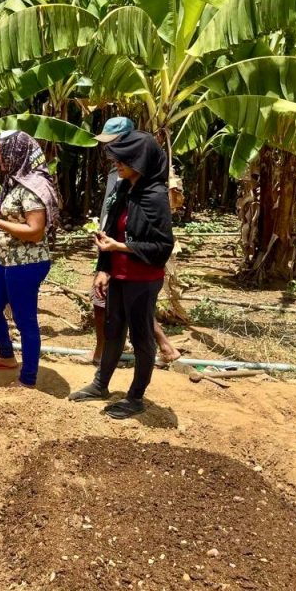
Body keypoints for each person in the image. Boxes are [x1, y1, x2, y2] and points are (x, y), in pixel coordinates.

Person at [69, 130, 175, 418]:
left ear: (140, 161)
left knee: (142, 338)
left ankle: (135, 397)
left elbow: (162, 246)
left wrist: (121, 247)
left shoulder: (155, 196)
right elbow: (112, 230)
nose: (117, 164)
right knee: (113, 330)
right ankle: (100, 384)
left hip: (143, 280)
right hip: (119, 275)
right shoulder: (124, 189)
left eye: (123, 159)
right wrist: (104, 268)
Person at [89, 117, 180, 370]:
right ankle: (106, 361)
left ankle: (129, 366)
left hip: (130, 253)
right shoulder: (118, 175)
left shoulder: (149, 190)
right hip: (111, 246)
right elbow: (113, 210)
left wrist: (118, 246)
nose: (110, 151)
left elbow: (160, 241)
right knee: (119, 308)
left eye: (115, 143)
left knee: (131, 308)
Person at [0, 130, 60, 388]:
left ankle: (28, 378)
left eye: (2, 152)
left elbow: (35, 231)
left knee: (25, 320)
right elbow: (11, 219)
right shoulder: (14, 182)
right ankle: (6, 355)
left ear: (17, 153)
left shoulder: (33, 187)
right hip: (8, 259)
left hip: (26, 263)